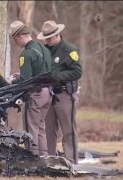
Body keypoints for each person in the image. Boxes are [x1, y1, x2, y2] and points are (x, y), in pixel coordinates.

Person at [37, 20, 82, 164]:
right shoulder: (45, 50)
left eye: (49, 38)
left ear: (57, 35)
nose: (48, 41)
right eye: (46, 38)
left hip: (65, 95)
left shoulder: (69, 50)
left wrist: (58, 77)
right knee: (49, 131)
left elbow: (77, 71)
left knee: (68, 130)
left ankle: (71, 161)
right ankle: (52, 161)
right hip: (49, 95)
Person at [8, 21, 52, 156]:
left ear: (20, 37)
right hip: (48, 92)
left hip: (35, 94)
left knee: (31, 129)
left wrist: (13, 81)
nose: (16, 43)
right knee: (41, 128)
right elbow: (40, 71)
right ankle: (44, 158)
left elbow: (25, 81)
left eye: (15, 40)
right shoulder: (44, 49)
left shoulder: (26, 54)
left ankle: (32, 159)